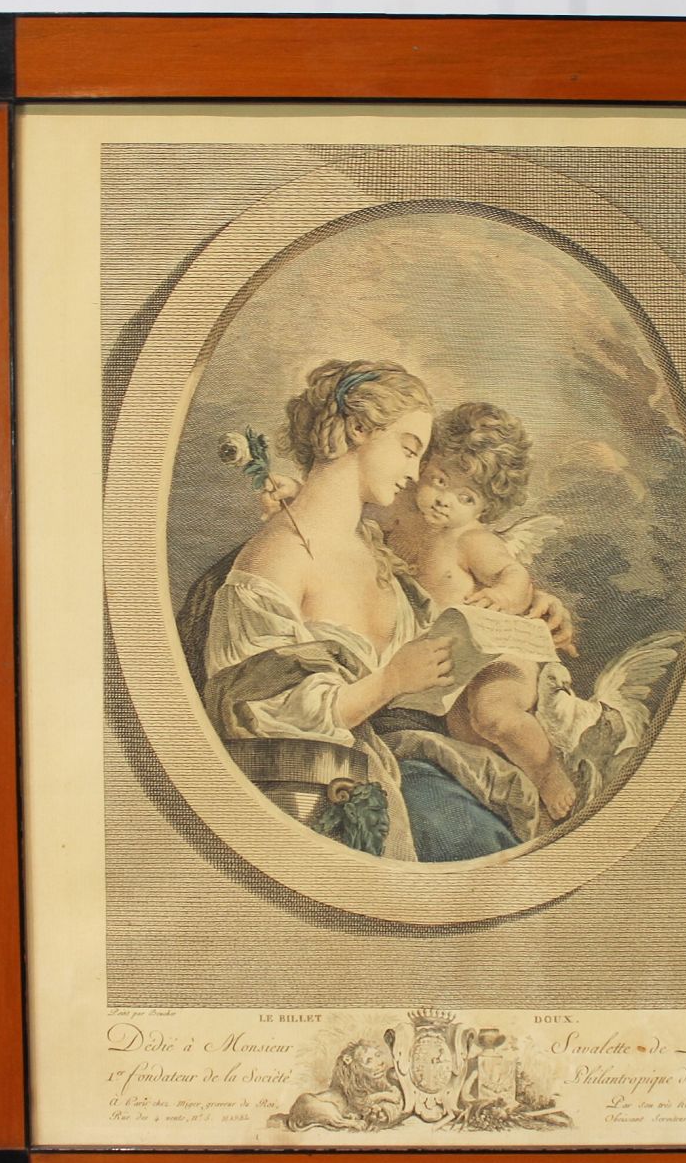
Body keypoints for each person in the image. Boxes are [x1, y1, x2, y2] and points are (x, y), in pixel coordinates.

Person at [180, 359, 574, 862]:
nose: (413, 473)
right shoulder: (278, 557)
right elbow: (254, 712)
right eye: (409, 450)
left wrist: (525, 615)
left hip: (401, 767)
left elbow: (446, 628)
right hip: (314, 798)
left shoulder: (374, 550)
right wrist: (388, 682)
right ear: (358, 430)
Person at [382, 403, 577, 820]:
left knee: (494, 716)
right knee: (466, 737)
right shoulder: (401, 517)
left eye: (465, 497)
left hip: (496, 653)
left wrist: (502, 597)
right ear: (425, 465)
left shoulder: (472, 540)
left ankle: (548, 773)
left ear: (485, 508)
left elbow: (514, 575)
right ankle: (513, 793)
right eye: (439, 481)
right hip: (452, 662)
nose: (444, 500)